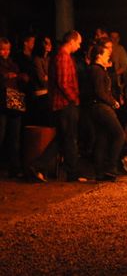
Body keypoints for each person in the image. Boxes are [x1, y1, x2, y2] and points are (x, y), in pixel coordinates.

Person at [29, 31, 86, 183]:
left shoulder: (62, 57)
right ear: (72, 41)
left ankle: (38, 166)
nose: (79, 46)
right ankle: (71, 173)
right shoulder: (63, 57)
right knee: (69, 138)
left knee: (62, 138)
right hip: (65, 104)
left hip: (63, 103)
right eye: (78, 43)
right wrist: (74, 99)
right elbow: (63, 83)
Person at [88, 38, 125, 182]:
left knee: (101, 139)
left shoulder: (99, 70)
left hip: (98, 107)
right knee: (119, 135)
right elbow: (100, 91)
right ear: (98, 56)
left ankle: (100, 172)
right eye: (106, 55)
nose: (109, 56)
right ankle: (111, 168)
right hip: (101, 107)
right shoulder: (96, 70)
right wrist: (113, 102)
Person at [0, 37, 27, 178]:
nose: (5, 52)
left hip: (14, 102)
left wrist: (20, 76)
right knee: (2, 135)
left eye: (7, 49)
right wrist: (6, 77)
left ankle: (14, 168)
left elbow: (21, 76)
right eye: (2, 49)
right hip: (2, 104)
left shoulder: (12, 63)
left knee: (14, 137)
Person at [32, 36, 53, 126]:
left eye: (49, 43)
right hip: (40, 94)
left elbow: (51, 75)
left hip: (48, 92)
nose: (49, 45)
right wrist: (47, 78)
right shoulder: (37, 59)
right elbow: (41, 78)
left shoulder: (49, 59)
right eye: (46, 43)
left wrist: (48, 77)